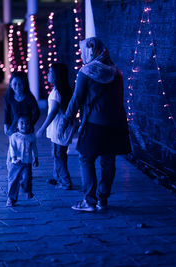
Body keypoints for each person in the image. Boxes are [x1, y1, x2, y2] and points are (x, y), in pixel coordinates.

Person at [59, 37, 131, 212]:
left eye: (83, 51)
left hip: (94, 123)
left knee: (86, 158)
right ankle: (103, 199)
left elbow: (76, 100)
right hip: (116, 124)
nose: (82, 54)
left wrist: (65, 120)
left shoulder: (86, 72)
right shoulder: (116, 72)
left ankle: (89, 201)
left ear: (89, 51)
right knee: (108, 161)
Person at [36, 63, 74, 190]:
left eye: (50, 72)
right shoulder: (64, 90)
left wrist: (42, 128)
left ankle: (65, 181)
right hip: (61, 127)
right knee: (58, 153)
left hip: (59, 128)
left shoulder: (57, 92)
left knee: (59, 154)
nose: (48, 74)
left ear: (57, 76)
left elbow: (52, 113)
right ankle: (57, 177)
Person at [6, 116, 39, 207]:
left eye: (27, 123)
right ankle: (11, 198)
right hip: (16, 162)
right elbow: (12, 148)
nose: (24, 125)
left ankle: (27, 189)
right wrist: (14, 158)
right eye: (22, 123)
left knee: (27, 178)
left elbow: (34, 148)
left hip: (27, 162)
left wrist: (35, 158)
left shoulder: (32, 136)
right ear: (17, 125)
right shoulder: (14, 136)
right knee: (13, 180)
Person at [3, 71, 40, 136]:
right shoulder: (8, 97)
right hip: (13, 128)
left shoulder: (30, 98)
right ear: (11, 85)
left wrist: (30, 124)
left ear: (25, 84)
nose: (17, 86)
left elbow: (36, 113)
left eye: (20, 84)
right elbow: (7, 112)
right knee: (13, 145)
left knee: (27, 145)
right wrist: (6, 125)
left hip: (26, 129)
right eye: (15, 84)